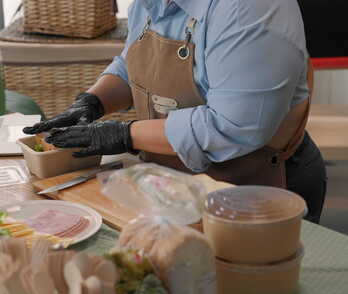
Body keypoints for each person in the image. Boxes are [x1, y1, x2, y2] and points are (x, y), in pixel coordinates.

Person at [23, 0, 326, 223]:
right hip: (174, 182)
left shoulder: (251, 9)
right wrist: (93, 102)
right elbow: (135, 63)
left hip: (255, 188)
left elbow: (233, 126)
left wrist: (122, 134)